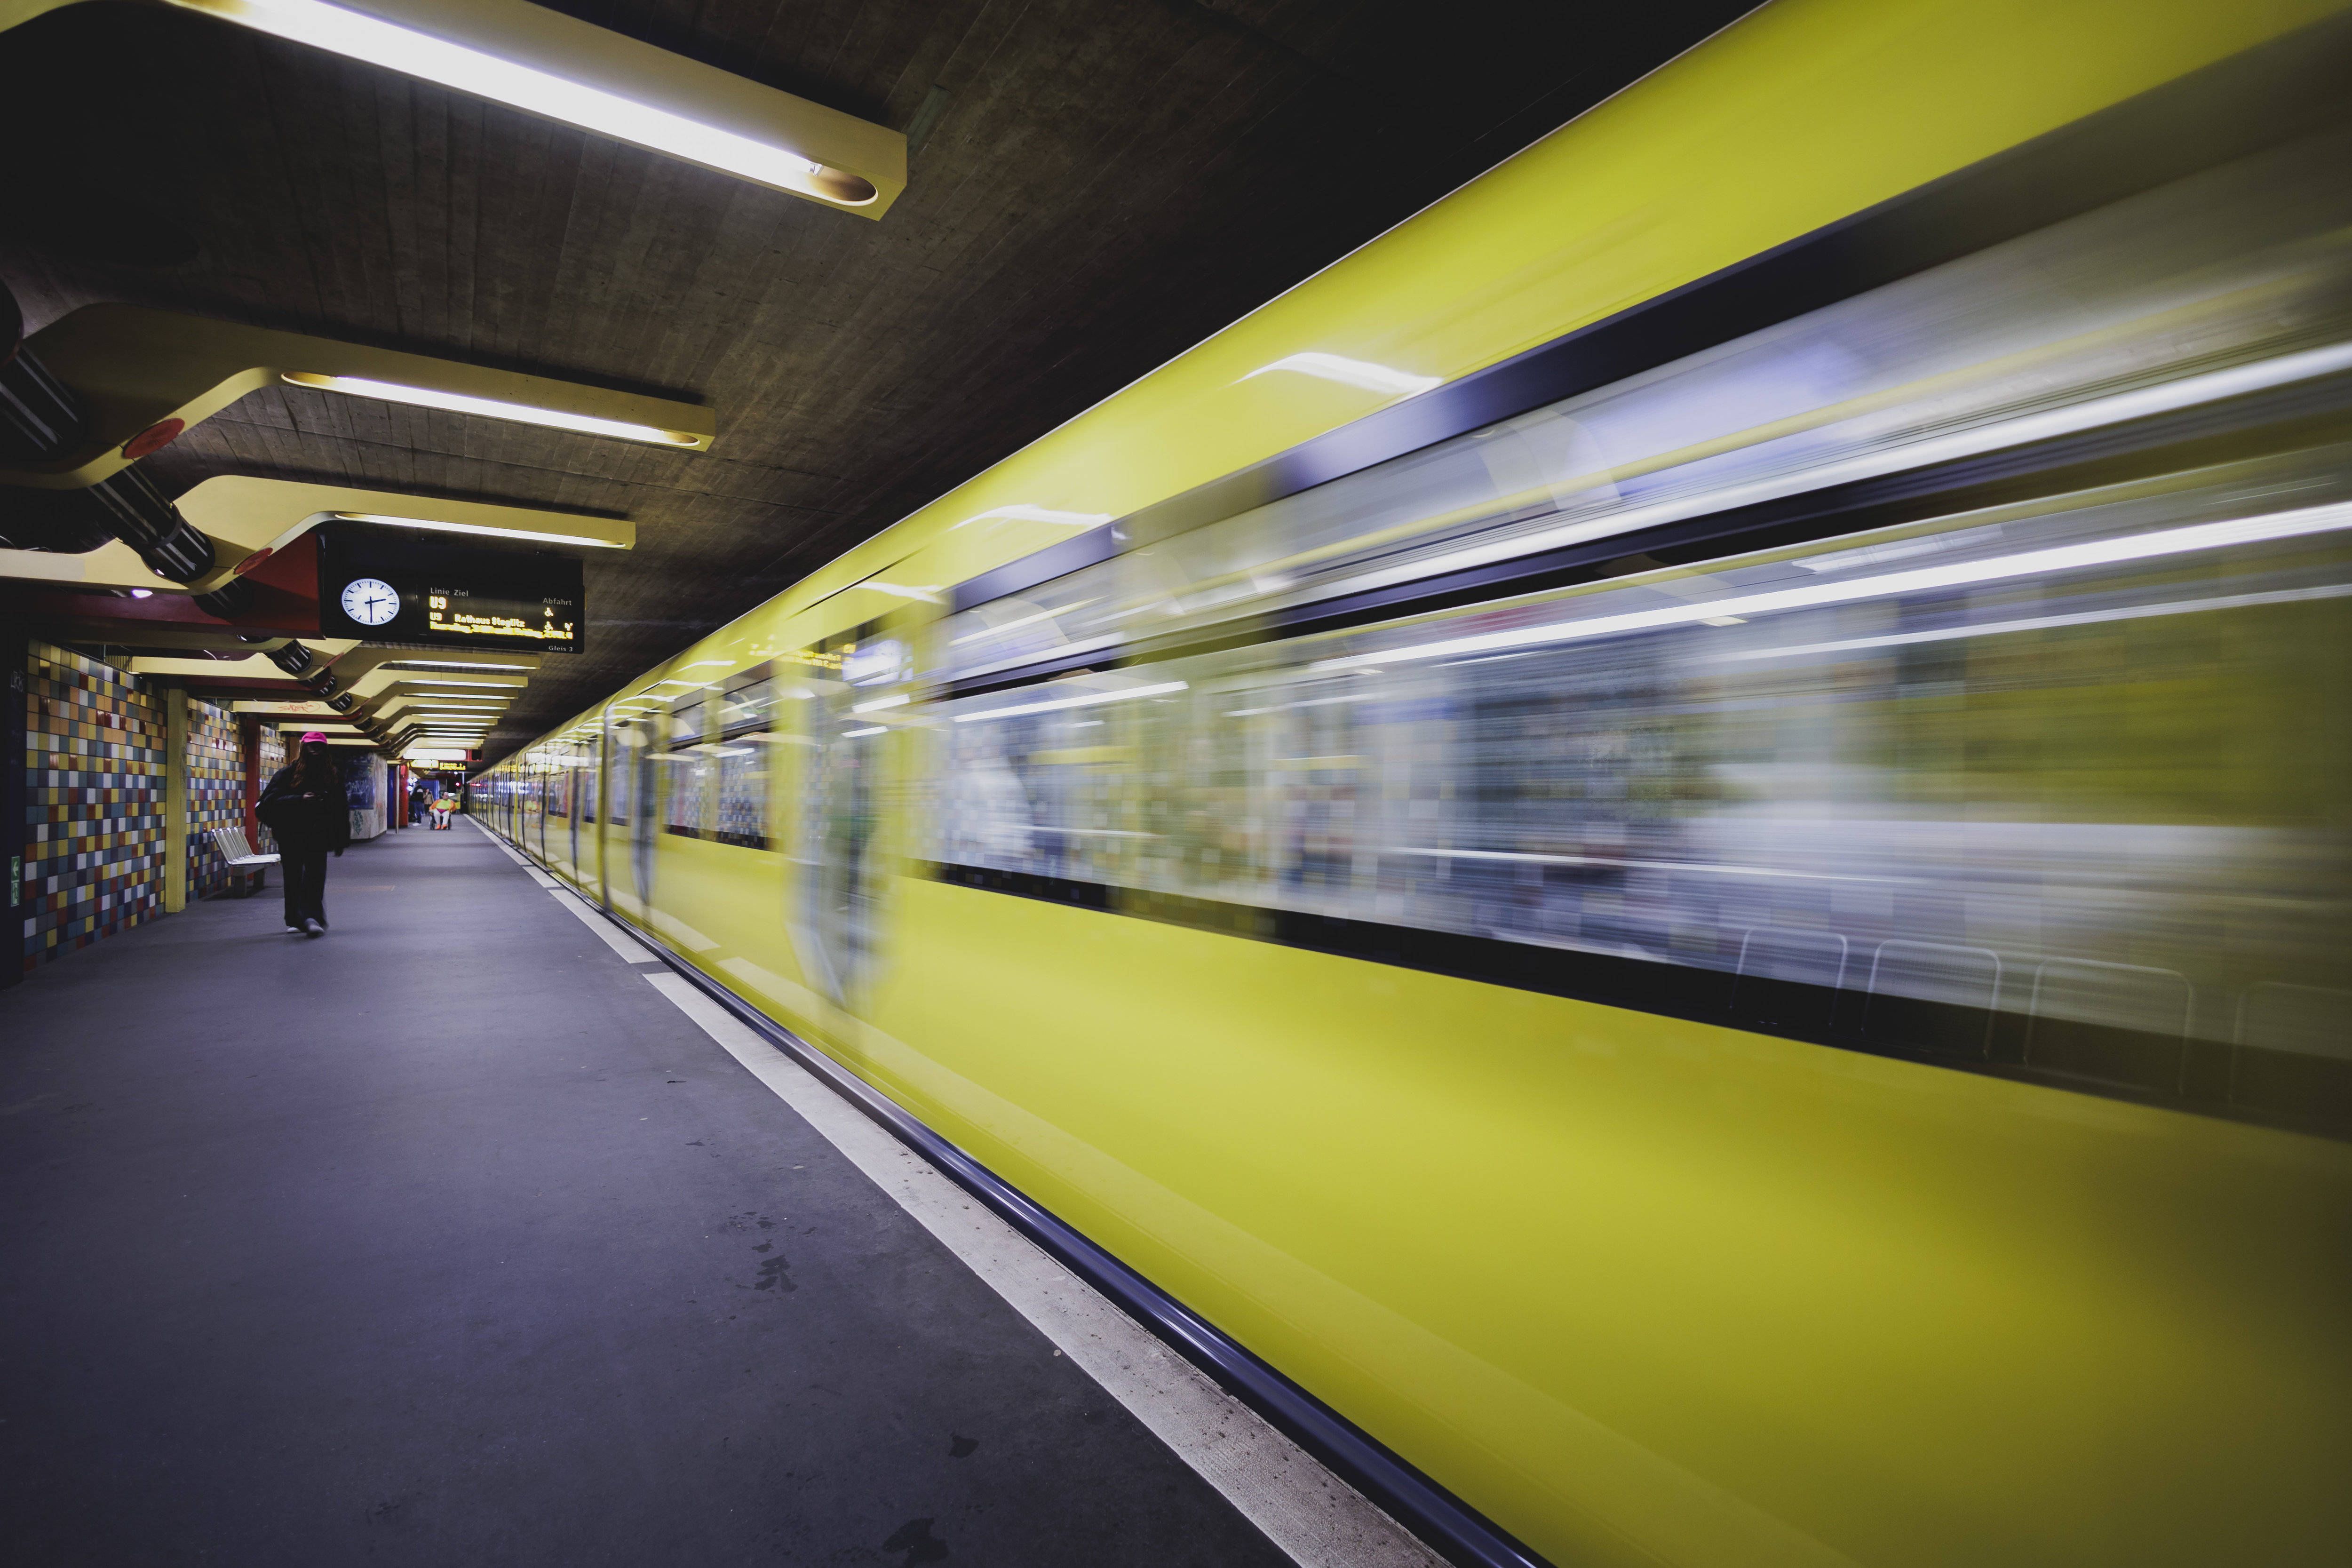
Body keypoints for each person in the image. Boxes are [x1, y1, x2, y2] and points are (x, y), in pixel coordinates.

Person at [257, 732, 350, 936]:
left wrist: (341, 839)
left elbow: (341, 808)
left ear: (325, 749)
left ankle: (311, 918)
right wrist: (300, 799)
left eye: (319, 746)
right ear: (303, 748)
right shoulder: (287, 774)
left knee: (315, 877)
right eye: (311, 746)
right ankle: (294, 918)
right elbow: (267, 803)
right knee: (293, 878)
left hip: (319, 835)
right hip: (291, 835)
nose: (315, 749)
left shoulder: (333, 776)